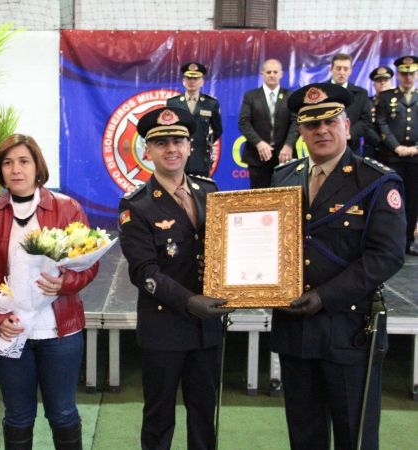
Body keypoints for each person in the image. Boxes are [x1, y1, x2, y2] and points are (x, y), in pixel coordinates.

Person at [271, 83, 406, 450]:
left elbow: (387, 255)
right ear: (301, 132)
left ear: (347, 125)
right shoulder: (283, 178)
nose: (322, 131)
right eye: (312, 125)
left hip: (349, 331)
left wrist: (324, 297)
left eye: (330, 121)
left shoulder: (376, 181)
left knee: (355, 438)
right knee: (304, 437)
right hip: (295, 332)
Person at [0, 134, 98, 450]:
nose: (16, 169)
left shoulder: (67, 207)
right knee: (18, 416)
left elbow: (89, 264)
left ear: (36, 165)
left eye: (23, 161)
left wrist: (65, 283)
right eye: (7, 162)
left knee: (62, 413)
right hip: (10, 331)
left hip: (61, 333)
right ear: (0, 170)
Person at [118, 106, 229, 450]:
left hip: (208, 329)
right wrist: (190, 301)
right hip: (164, 328)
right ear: (147, 152)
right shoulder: (136, 205)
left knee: (203, 415)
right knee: (159, 417)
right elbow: (143, 272)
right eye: (161, 142)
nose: (171, 148)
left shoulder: (211, 193)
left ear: (190, 146)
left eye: (178, 140)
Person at [375, 55, 418, 256]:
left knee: (413, 201)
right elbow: (382, 124)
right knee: (391, 199)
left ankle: (409, 240)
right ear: (399, 74)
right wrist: (396, 147)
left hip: (416, 158)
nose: (408, 78)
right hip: (393, 157)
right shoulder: (386, 97)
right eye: (404, 74)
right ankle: (390, 240)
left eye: (412, 74)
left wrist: (415, 148)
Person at [238, 58, 299, 188]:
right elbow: (244, 122)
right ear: (262, 74)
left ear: (281, 74)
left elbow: (296, 122)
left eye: (275, 72)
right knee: (259, 199)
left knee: (285, 197)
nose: (272, 75)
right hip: (257, 157)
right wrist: (259, 143)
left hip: (284, 157)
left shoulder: (290, 96)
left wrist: (289, 145)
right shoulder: (251, 96)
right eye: (269, 72)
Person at [167, 62, 223, 177]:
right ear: (183, 81)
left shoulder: (211, 104)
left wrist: (203, 142)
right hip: (177, 158)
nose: (192, 81)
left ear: (202, 82)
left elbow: (217, 130)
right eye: (189, 78)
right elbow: (168, 130)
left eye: (196, 78)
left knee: (201, 192)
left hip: (201, 158)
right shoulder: (173, 103)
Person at [327, 53, 373, 153]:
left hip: (351, 147)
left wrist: (349, 133)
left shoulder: (361, 94)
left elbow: (366, 120)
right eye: (338, 68)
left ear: (350, 71)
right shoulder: (321, 91)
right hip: (326, 144)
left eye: (345, 69)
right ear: (331, 69)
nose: (342, 72)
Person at [364, 66, 395, 159]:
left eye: (386, 79)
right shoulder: (367, 103)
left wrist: (391, 143)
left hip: (394, 149)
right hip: (373, 148)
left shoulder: (400, 101)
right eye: (378, 80)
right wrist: (381, 143)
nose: (382, 83)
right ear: (373, 84)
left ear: (391, 82)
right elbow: (365, 126)